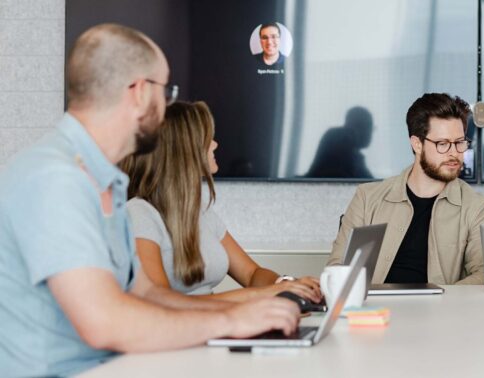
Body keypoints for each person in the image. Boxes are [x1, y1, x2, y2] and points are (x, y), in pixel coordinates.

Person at [0, 24, 301, 376]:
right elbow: (103, 322)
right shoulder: (57, 179)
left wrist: (246, 309)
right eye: (166, 91)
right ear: (140, 92)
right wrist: (229, 322)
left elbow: (147, 294)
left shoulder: (106, 181)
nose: (167, 104)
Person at [121, 101, 322, 303]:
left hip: (213, 324)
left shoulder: (202, 214)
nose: (215, 144)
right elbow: (161, 303)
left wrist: (285, 284)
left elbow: (251, 274)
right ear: (187, 149)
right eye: (208, 138)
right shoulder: (139, 214)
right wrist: (264, 295)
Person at [325, 93, 484, 284]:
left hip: (441, 312)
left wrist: (441, 300)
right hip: (375, 311)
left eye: (459, 143)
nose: (454, 153)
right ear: (417, 144)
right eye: (443, 144)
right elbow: (338, 268)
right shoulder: (367, 198)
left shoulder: (477, 208)